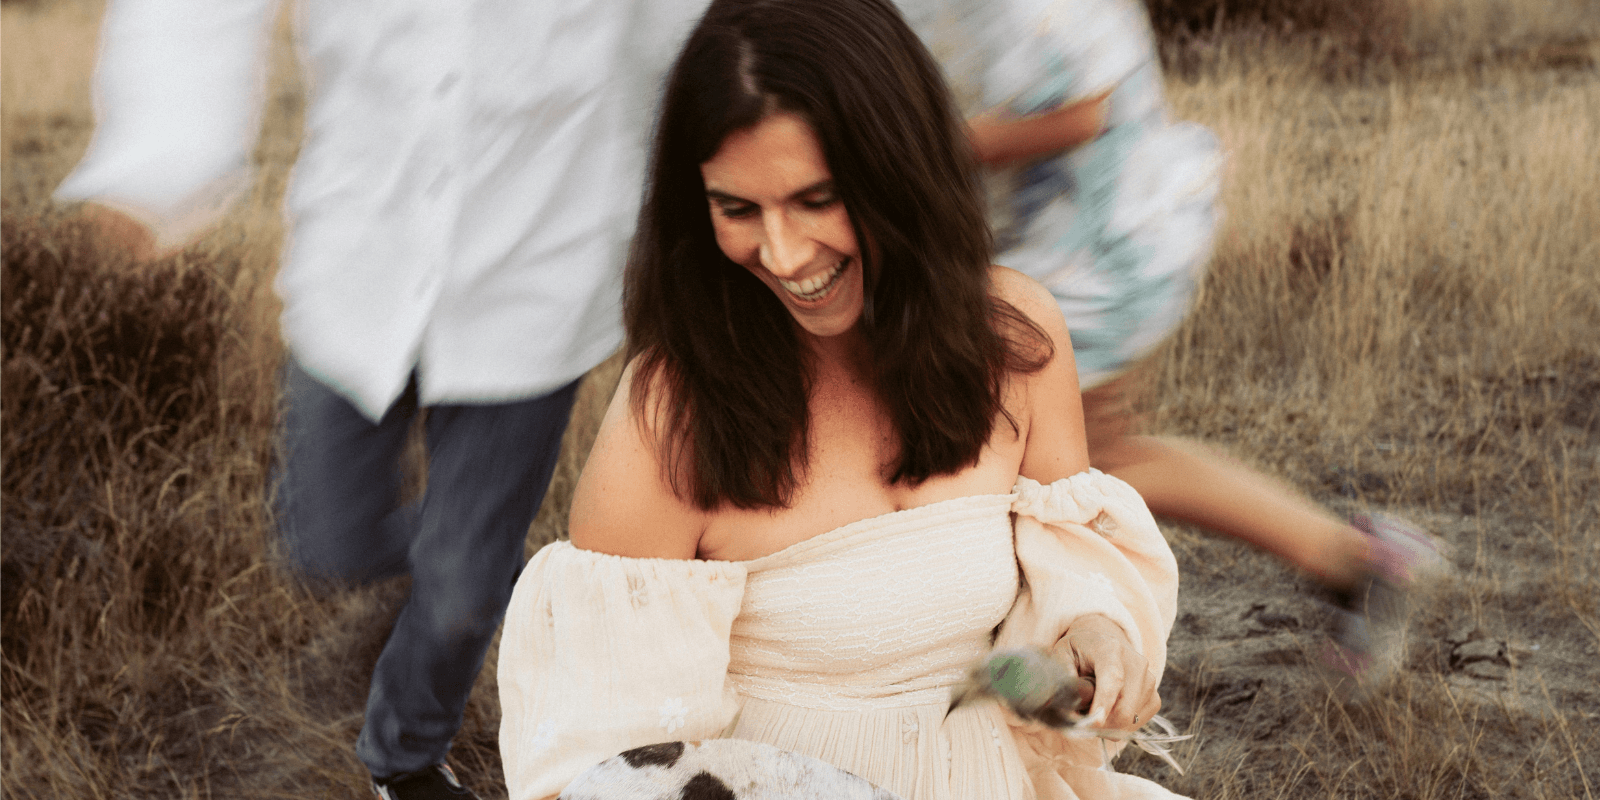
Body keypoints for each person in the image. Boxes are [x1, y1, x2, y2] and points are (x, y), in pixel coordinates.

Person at [496, 1, 1187, 798]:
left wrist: (1090, 633)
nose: (785, 254)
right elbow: (611, 768)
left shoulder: (1014, 339)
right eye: (737, 209)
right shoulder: (671, 418)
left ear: (902, 168)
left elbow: (1063, 581)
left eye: (818, 198)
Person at [52, 0, 708, 796]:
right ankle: (488, 565)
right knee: (323, 545)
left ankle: (405, 756)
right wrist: (158, 156)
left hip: (537, 282)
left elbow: (687, 30)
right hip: (357, 267)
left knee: (458, 598)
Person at [893, 0, 1442, 681]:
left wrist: (904, 150)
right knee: (1086, 464)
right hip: (1046, 250)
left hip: (1096, 250)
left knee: (1062, 473)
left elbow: (1082, 110)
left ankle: (1352, 564)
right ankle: (1355, 561)